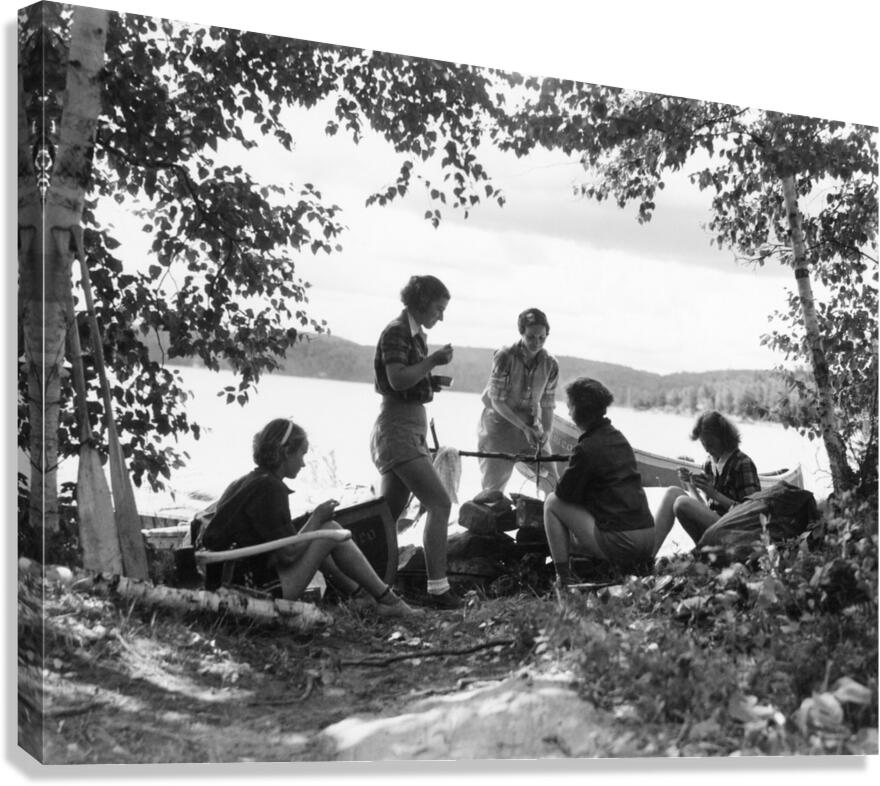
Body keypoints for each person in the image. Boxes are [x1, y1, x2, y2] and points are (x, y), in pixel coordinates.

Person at [196, 418, 417, 618]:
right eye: (301, 454)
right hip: (252, 590)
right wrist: (316, 518)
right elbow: (289, 555)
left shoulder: (245, 481)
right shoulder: (270, 489)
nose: (303, 463)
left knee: (319, 534)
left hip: (226, 579)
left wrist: (313, 524)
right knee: (330, 533)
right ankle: (389, 600)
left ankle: (362, 597)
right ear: (286, 452)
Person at [370, 275, 462, 610]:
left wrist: (430, 378)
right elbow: (396, 378)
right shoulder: (397, 331)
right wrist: (432, 362)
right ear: (422, 302)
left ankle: (373, 586)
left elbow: (409, 378)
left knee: (387, 514)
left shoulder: (415, 335)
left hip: (408, 428)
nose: (441, 316)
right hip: (398, 429)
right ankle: (438, 589)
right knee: (439, 503)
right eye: (439, 308)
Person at [543, 378, 656, 585]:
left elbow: (563, 495)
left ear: (578, 410)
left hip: (625, 543)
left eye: (569, 406)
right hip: (649, 537)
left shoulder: (587, 448)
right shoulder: (619, 438)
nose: (568, 412)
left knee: (551, 503)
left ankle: (563, 579)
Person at [477, 308, 559, 495]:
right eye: (531, 337)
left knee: (554, 484)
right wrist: (523, 428)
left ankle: (548, 520)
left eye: (542, 337)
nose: (536, 342)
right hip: (498, 429)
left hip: (531, 427)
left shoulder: (551, 363)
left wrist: (546, 430)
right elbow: (496, 401)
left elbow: (547, 404)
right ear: (521, 332)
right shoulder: (505, 356)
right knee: (492, 492)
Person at [661, 410, 761, 545]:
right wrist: (689, 483)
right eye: (704, 444)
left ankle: (705, 554)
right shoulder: (709, 463)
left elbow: (752, 512)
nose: (707, 449)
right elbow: (706, 509)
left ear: (724, 439)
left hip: (737, 533)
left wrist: (713, 493)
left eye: (711, 444)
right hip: (715, 528)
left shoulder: (742, 463)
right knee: (672, 493)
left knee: (682, 502)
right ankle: (647, 558)